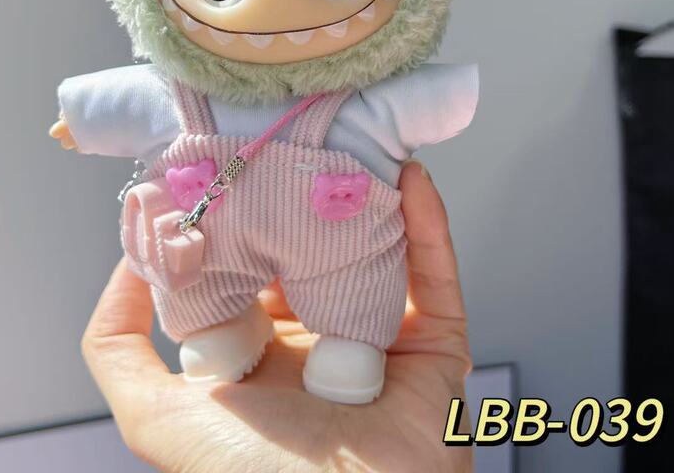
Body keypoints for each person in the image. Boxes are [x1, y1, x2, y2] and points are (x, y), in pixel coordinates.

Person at [82, 161, 473, 472]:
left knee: (353, 288)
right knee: (208, 279)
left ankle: (350, 338)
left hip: (336, 215)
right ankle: (224, 324)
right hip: (218, 211)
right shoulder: (175, 99)